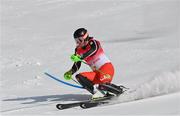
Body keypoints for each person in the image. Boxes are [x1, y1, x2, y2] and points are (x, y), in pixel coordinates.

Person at [64, 28, 123, 99]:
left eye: (80, 40)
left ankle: (120, 91)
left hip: (106, 69)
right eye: (76, 41)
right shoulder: (78, 50)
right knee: (79, 77)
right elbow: (77, 64)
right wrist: (70, 72)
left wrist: (81, 57)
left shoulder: (93, 43)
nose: (78, 42)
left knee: (102, 85)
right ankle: (97, 93)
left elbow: (93, 50)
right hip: (96, 74)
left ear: (85, 38)